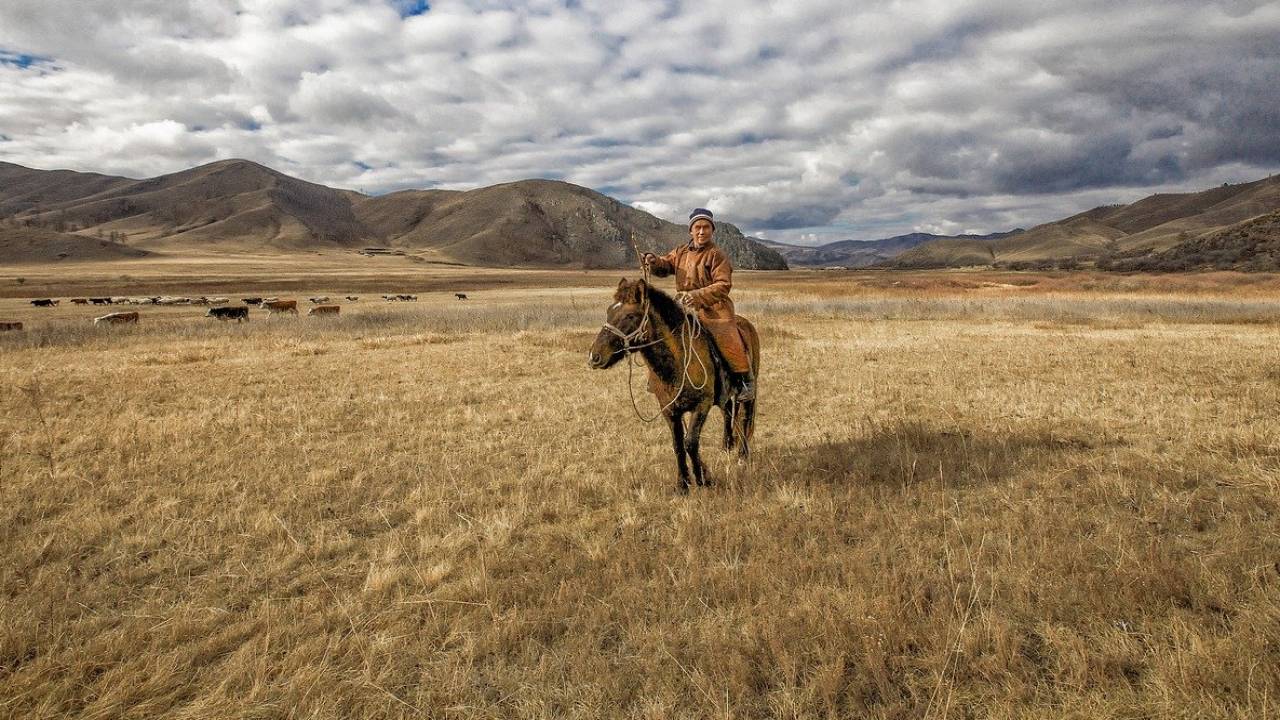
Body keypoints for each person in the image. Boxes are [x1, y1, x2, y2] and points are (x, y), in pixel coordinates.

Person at [642, 208, 755, 401]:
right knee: (661, 335)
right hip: (683, 306)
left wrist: (697, 296)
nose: (702, 232)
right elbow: (664, 265)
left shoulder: (716, 255)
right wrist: (653, 261)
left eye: (706, 227)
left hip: (715, 308)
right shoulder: (680, 252)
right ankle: (659, 377)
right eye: (698, 227)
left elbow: (723, 284)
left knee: (726, 337)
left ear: (712, 230)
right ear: (691, 231)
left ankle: (745, 380)